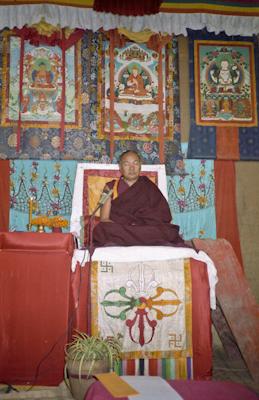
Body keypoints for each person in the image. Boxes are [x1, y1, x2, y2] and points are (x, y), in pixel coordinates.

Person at [92, 150, 191, 248]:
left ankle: (129, 240)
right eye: (127, 164)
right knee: (103, 229)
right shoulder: (110, 187)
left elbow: (163, 216)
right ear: (120, 167)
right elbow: (104, 218)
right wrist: (126, 227)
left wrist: (138, 226)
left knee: (168, 231)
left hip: (144, 229)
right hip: (122, 228)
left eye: (135, 163)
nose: (132, 168)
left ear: (140, 166)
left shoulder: (148, 185)